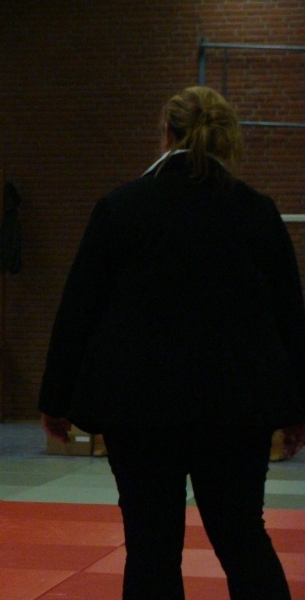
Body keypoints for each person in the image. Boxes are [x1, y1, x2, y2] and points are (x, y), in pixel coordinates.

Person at [39, 86, 305, 600]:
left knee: (151, 546)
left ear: (166, 133)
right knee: (243, 537)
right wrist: (298, 408)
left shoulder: (122, 207)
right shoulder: (257, 212)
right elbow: (290, 317)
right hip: (236, 407)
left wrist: (56, 397)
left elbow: (79, 309)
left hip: (140, 407)